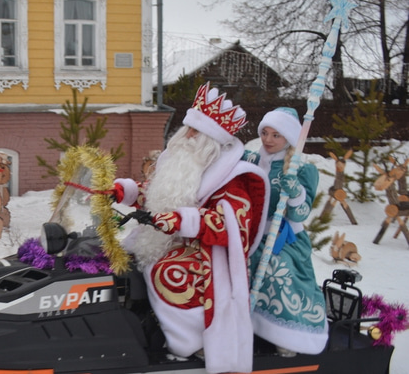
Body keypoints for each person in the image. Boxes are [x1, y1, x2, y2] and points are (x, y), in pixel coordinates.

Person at [112, 83, 269, 374]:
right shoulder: (185, 163)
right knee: (125, 256)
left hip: (208, 253)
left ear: (211, 140)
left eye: (196, 132)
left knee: (167, 272)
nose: (187, 136)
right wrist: (128, 192)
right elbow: (163, 196)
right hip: (172, 238)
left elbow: (232, 225)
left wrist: (183, 220)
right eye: (187, 129)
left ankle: (192, 342)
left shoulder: (234, 177)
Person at [247, 107, 328, 356]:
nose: (268, 140)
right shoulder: (250, 160)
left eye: (276, 136)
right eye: (265, 133)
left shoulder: (301, 169)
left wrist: (295, 192)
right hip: (251, 234)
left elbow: (300, 214)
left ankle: (288, 335)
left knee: (278, 268)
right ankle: (241, 326)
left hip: (283, 238)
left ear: (289, 139)